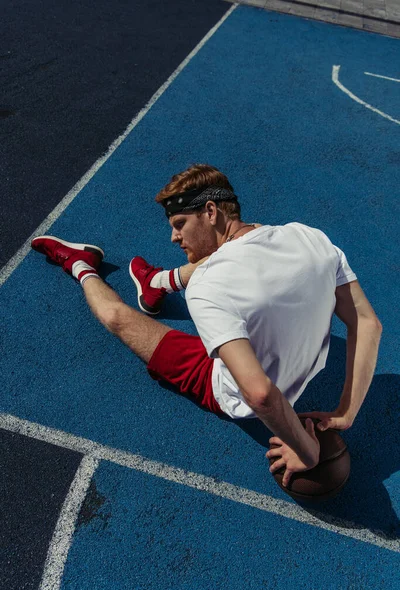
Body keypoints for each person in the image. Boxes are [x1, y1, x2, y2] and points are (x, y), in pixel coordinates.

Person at [31, 164, 383, 487]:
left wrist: (308, 452)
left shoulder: (208, 287)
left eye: (179, 224)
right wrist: (346, 411)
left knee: (118, 318)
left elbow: (258, 394)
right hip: (295, 360)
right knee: (227, 257)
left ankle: (81, 264)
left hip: (221, 384)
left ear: (210, 211)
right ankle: (156, 282)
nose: (173, 237)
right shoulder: (309, 238)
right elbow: (368, 323)